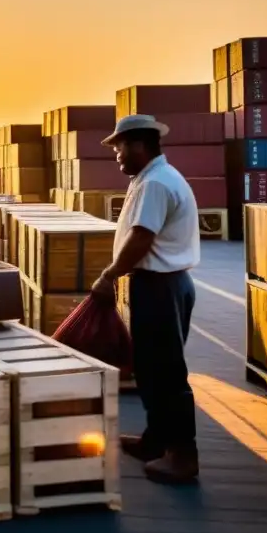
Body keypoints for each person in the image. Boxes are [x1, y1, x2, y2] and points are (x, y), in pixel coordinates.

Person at [90, 115, 200, 485]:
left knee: (167, 372)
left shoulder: (155, 183)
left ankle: (182, 455)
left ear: (139, 144)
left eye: (119, 146)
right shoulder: (154, 178)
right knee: (151, 368)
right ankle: (156, 440)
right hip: (163, 284)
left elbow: (141, 238)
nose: (116, 154)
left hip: (160, 286)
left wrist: (109, 275)